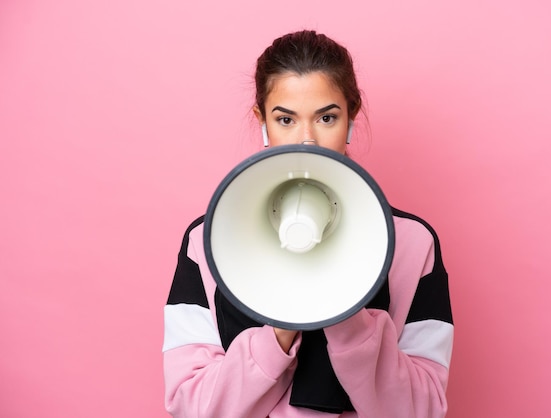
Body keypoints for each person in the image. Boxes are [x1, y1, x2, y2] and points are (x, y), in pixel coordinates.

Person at [163, 30, 453, 418]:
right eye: (285, 119)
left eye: (327, 117)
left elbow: (424, 410)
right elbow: (190, 406)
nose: (306, 140)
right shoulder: (207, 241)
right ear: (262, 121)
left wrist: (346, 310)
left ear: (351, 116)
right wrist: (282, 328)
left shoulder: (414, 243)